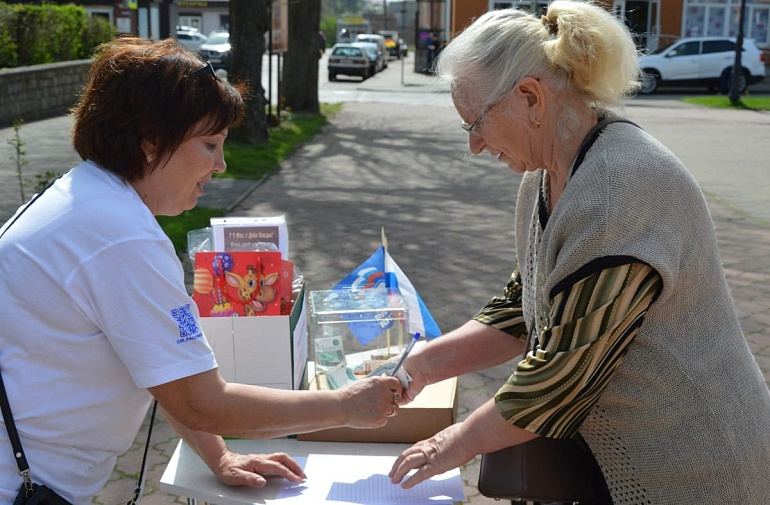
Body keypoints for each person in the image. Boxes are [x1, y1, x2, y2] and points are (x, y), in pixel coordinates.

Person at [387, 3, 770, 504]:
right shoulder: (543, 178)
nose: (475, 146)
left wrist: (445, 445)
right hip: (615, 465)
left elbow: (560, 375)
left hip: (694, 470)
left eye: (474, 123)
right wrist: (413, 368)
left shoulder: (619, 191)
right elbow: (521, 310)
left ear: (530, 98)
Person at [0, 37, 403, 505]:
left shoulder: (86, 201)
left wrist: (220, 457)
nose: (220, 165)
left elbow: (169, 372)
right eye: (209, 144)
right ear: (151, 142)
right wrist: (345, 407)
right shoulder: (120, 238)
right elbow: (202, 401)